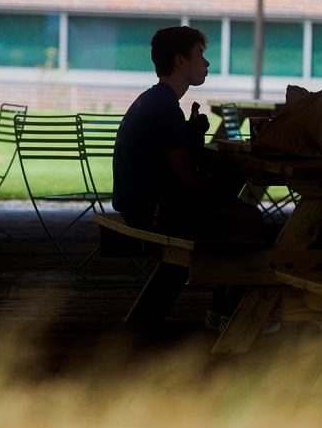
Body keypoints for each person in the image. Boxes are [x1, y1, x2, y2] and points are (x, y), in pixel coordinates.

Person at [113, 26, 263, 331]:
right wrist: (224, 188)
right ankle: (231, 311)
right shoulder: (164, 108)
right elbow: (187, 179)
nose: (206, 63)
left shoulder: (155, 100)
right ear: (180, 61)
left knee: (236, 212)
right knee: (248, 219)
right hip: (150, 213)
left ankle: (225, 309)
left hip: (139, 204)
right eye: (200, 55)